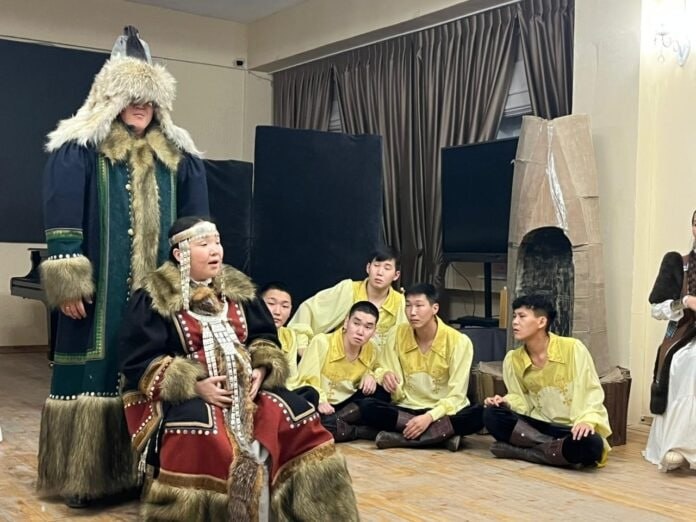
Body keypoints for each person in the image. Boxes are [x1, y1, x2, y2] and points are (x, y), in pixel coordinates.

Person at [37, 27, 209, 507]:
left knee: (152, 367)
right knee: (96, 369)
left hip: (158, 293)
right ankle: (86, 477)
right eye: (132, 96)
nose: (141, 106)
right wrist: (69, 279)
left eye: (149, 98)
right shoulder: (79, 148)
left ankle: (150, 471)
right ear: (112, 96)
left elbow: (197, 224)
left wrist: (196, 281)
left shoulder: (180, 156)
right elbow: (62, 214)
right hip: (100, 292)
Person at [119, 217, 359, 521]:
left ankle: (311, 512)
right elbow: (139, 359)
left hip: (247, 387)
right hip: (188, 394)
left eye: (217, 242)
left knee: (296, 414)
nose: (215, 250)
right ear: (180, 254)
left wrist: (262, 368)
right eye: (204, 244)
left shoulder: (237, 288)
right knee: (202, 431)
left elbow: (264, 337)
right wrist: (194, 385)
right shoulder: (155, 295)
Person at [483, 294, 611, 468]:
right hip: (536, 427)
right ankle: (552, 452)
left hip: (570, 428)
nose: (515, 322)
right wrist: (505, 402)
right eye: (514, 316)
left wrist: (586, 421)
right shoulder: (513, 359)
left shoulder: (573, 349)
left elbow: (591, 392)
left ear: (541, 322)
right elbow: (521, 399)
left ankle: (525, 452)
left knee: (592, 444)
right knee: (491, 413)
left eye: (522, 316)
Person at [360, 283, 483, 451]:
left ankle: (402, 438)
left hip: (442, 411)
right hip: (406, 408)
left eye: (419, 305)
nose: (412, 312)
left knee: (479, 414)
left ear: (435, 308)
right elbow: (381, 367)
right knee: (368, 406)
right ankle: (439, 436)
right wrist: (385, 374)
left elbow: (457, 395)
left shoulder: (458, 342)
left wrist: (429, 417)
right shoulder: (397, 333)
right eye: (408, 305)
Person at [643, 210, 696, 472]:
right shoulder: (678, 264)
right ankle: (678, 446)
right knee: (686, 364)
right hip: (684, 335)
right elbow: (656, 309)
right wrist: (684, 301)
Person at [294, 301, 391, 442]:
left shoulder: (372, 349)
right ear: (346, 322)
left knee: (381, 393)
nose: (360, 332)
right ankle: (358, 431)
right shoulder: (322, 342)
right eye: (356, 323)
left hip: (348, 405)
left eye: (368, 327)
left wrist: (371, 375)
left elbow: (377, 368)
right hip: (322, 405)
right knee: (312, 408)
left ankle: (337, 425)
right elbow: (305, 380)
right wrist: (320, 400)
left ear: (374, 331)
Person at [288, 246, 407, 351]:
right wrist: (302, 346)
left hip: (376, 366)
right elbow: (308, 308)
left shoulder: (400, 303)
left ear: (396, 275)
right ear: (368, 268)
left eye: (387, 268)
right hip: (339, 360)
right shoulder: (348, 290)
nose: (380, 272)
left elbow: (404, 343)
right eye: (376, 266)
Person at [259, 281, 319, 406]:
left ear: (291, 310)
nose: (277, 311)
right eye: (271, 304)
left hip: (281, 390)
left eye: (284, 306)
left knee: (311, 394)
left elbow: (291, 378)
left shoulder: (289, 335)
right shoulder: (247, 331)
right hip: (256, 389)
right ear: (258, 304)